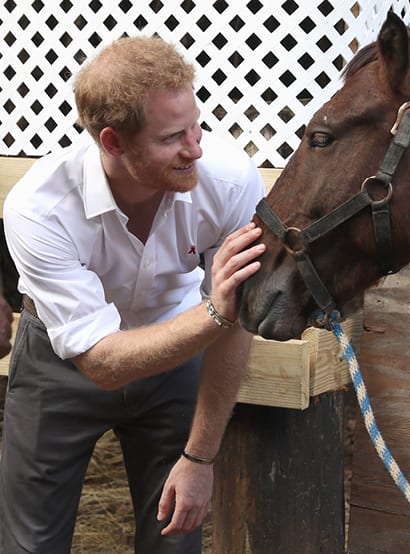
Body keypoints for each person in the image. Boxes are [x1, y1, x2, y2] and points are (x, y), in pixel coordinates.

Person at [0, 36, 266, 554]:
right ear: (114, 142)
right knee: (29, 544)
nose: (195, 148)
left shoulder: (231, 182)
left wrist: (201, 458)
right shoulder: (39, 207)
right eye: (172, 137)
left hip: (180, 355)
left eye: (195, 125)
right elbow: (101, 362)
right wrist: (217, 313)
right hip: (64, 362)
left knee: (176, 539)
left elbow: (237, 321)